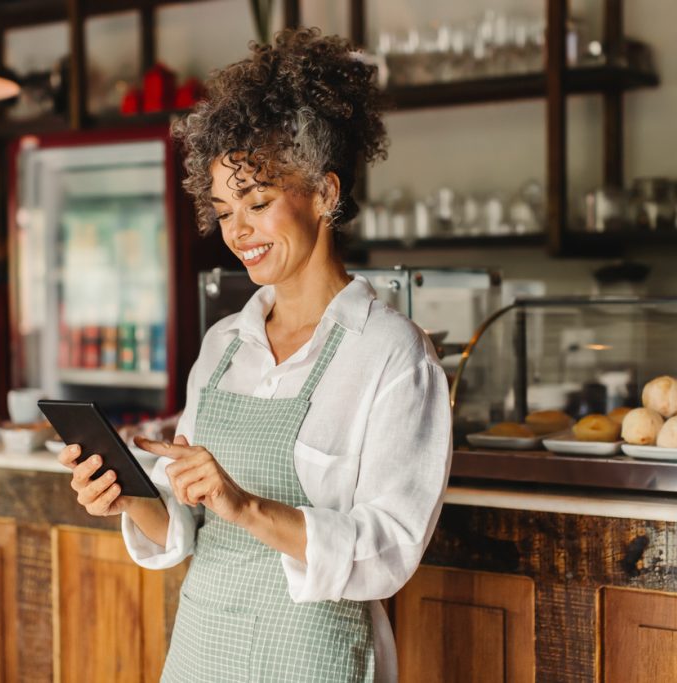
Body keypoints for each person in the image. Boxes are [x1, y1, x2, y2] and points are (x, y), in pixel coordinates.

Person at [58, 28, 451, 682]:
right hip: (204, 646)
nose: (237, 231)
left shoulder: (390, 354)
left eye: (259, 202)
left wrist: (245, 506)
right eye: (223, 210)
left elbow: (387, 548)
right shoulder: (222, 347)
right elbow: (185, 525)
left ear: (325, 194)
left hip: (315, 656)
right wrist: (128, 496)